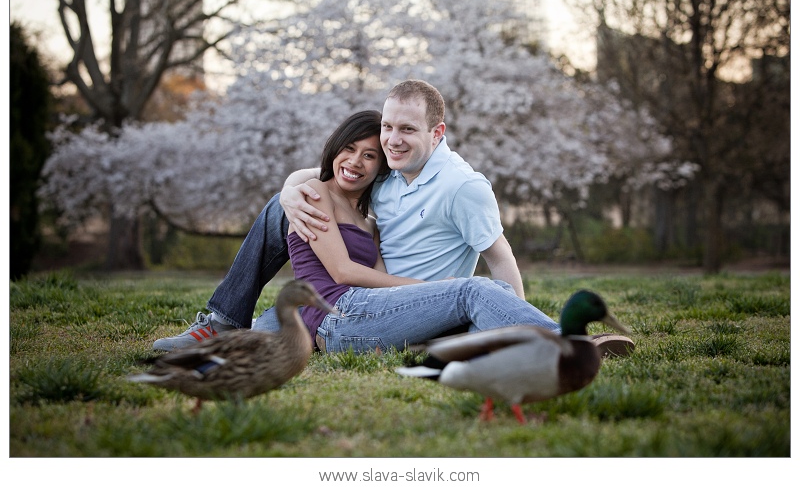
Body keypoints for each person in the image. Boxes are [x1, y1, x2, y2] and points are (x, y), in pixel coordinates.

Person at [152, 80, 631, 357]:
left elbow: (501, 259)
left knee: (485, 291)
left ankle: (554, 342)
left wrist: (506, 324)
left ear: (436, 132)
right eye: (387, 128)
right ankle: (220, 322)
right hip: (362, 305)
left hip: (411, 305)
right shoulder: (384, 178)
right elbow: (331, 176)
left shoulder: (463, 186)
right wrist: (289, 188)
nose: (391, 140)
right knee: (280, 232)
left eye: (406, 129)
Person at [250, 108, 559, 352]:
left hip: (361, 314)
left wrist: (431, 294)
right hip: (335, 316)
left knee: (496, 292)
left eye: (369, 155)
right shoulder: (313, 193)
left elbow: (382, 283)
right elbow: (343, 271)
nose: (356, 161)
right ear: (335, 148)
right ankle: (565, 341)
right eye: (349, 149)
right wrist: (432, 286)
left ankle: (497, 347)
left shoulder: (371, 221)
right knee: (473, 290)